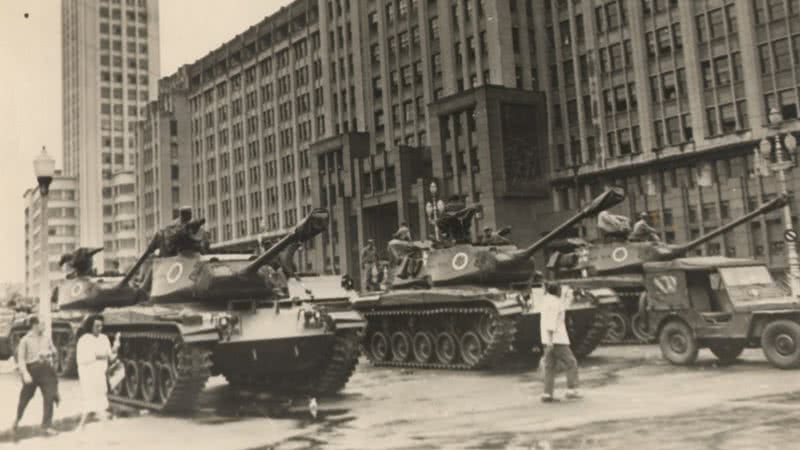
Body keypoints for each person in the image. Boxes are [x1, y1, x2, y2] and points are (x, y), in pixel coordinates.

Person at [13, 316, 59, 436]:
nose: (44, 326)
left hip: (45, 370)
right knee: (25, 398)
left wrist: (50, 354)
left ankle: (46, 425)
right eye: (42, 324)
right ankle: (17, 418)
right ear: (34, 325)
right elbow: (21, 360)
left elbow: (54, 351)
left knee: (49, 397)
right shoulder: (25, 340)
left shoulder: (46, 338)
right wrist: (25, 374)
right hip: (31, 371)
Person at [76, 316, 120, 429]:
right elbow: (86, 358)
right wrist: (103, 355)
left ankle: (81, 427)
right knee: (96, 402)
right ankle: (107, 429)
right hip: (88, 375)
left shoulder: (104, 338)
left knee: (94, 402)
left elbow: (110, 357)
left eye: (101, 326)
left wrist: (115, 346)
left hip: (100, 374)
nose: (99, 328)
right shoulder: (84, 339)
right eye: (96, 326)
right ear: (90, 326)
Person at [540, 283, 581, 403]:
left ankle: (547, 393)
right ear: (556, 291)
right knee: (571, 362)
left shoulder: (546, 301)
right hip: (557, 339)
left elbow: (562, 307)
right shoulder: (555, 303)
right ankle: (571, 390)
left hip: (547, 339)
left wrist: (569, 296)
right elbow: (551, 323)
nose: (561, 291)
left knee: (550, 367)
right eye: (560, 289)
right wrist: (551, 342)